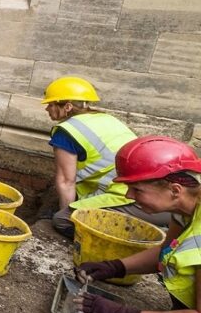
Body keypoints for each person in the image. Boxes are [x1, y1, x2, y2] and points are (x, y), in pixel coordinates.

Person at [75, 136, 201, 313]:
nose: (129, 196)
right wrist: (115, 267)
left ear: (175, 190)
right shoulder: (187, 205)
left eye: (137, 189)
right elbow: (167, 251)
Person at [41, 76, 169, 238]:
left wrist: (66, 211)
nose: (47, 109)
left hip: (132, 199)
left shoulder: (66, 132)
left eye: (51, 104)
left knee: (62, 220)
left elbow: (66, 182)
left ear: (67, 106)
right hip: (164, 201)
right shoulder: (107, 119)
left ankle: (144, 237)